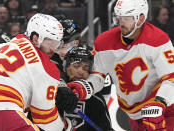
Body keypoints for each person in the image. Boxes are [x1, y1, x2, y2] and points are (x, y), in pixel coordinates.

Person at [65, 0, 174, 130]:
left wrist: (160, 103)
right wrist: (86, 86)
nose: (121, 22)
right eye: (118, 17)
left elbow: (171, 78)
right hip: (134, 114)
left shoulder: (158, 40)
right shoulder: (104, 42)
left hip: (166, 110)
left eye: (126, 18)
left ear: (141, 18)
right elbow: (99, 76)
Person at [0, 13, 78, 131]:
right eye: (50, 43)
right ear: (35, 38)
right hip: (4, 110)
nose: (54, 49)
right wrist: (66, 127)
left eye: (57, 43)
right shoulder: (47, 68)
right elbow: (45, 119)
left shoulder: (12, 42)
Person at [57, 44, 114, 131]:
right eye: (76, 65)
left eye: (86, 68)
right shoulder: (52, 89)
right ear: (65, 67)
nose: (81, 71)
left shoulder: (96, 100)